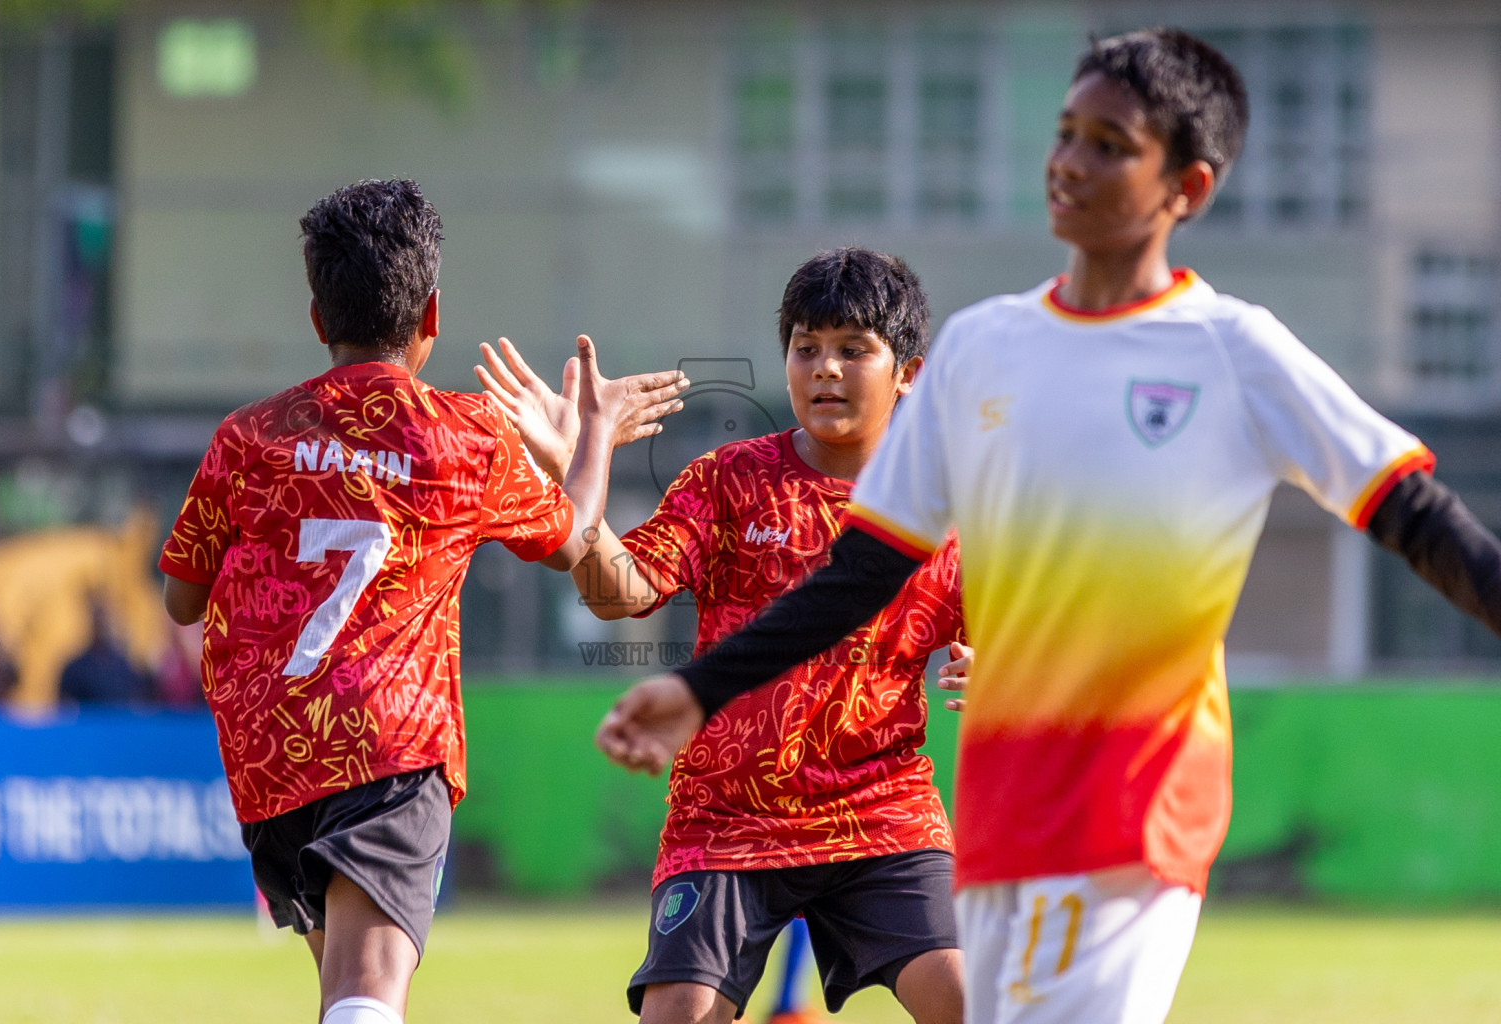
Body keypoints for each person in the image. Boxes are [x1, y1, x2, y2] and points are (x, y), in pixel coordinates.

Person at [594, 29, 1501, 1024]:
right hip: (1001, 822)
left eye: (1110, 143)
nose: (1069, 161)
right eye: (1066, 132)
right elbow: (858, 576)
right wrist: (694, 688)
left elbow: (1417, 516)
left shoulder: (1236, 351)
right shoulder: (986, 349)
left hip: (1138, 815)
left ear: (1185, 189)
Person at [158, 178, 686, 1024]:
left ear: (317, 318)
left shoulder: (248, 437)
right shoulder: (461, 435)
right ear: (432, 314)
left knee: (347, 995)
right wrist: (593, 439)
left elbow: (183, 598)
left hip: (270, 758)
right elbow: (575, 540)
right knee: (367, 1000)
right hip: (388, 748)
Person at [480, 248, 968, 1024]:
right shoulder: (727, 480)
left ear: (907, 371)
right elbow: (617, 593)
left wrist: (996, 666)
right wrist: (583, 460)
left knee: (976, 1002)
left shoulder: (946, 506)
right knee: (677, 1014)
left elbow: (1018, 636)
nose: (825, 370)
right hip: (726, 823)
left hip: (879, 813)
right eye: (806, 348)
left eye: (852, 350)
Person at [59, 598, 152, 705]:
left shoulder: (123, 666)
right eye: (98, 621)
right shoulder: (75, 668)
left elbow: (138, 699)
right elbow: (66, 706)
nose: (101, 626)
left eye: (104, 620)